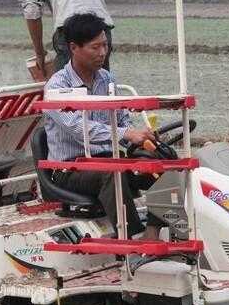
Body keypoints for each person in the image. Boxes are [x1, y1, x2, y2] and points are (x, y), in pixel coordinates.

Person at [42, 13, 158, 238]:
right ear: (74, 48)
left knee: (159, 165)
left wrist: (140, 137)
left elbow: (122, 119)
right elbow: (78, 128)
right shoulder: (57, 87)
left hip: (107, 157)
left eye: (105, 46)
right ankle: (133, 239)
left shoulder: (107, 79)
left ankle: (157, 230)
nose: (103, 53)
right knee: (111, 173)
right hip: (70, 169)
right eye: (95, 47)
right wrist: (126, 133)